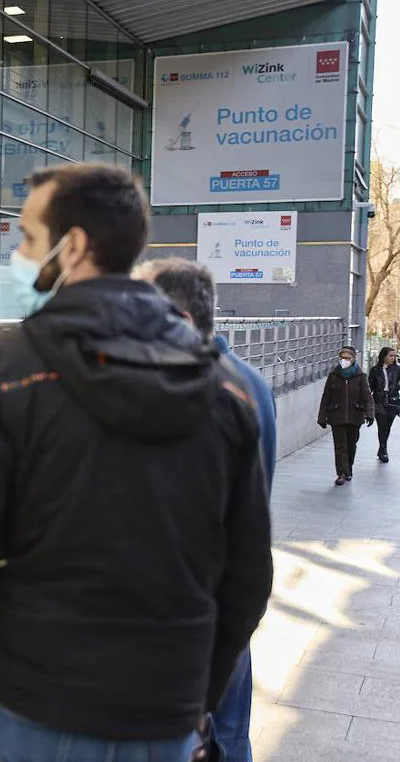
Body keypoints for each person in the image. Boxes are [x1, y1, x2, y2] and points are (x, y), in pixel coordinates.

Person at [0, 163, 273, 762]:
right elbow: (248, 573)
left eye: (27, 237)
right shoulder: (227, 385)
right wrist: (195, 688)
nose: (20, 255)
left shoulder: (7, 367)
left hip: (33, 693)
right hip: (166, 702)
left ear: (72, 245)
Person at [135, 258, 277, 762]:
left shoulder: (197, 387)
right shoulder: (252, 381)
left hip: (190, 594)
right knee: (231, 726)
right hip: (232, 587)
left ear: (180, 318)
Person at [317, 346, 375, 485]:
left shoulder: (360, 376)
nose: (344, 360)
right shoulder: (334, 375)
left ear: (353, 359)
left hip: (355, 415)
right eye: (342, 358)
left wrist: (370, 413)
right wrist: (322, 416)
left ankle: (348, 469)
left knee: (351, 445)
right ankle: (341, 473)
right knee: (340, 446)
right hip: (337, 415)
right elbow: (326, 396)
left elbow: (367, 396)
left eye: (347, 358)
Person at [369, 347, 400, 464]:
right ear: (383, 356)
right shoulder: (375, 370)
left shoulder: (397, 369)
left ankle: (381, 448)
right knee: (382, 427)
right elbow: (370, 386)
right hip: (379, 401)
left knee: (387, 427)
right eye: (390, 355)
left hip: (392, 401)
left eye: (394, 356)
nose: (392, 358)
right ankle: (383, 450)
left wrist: (398, 388)